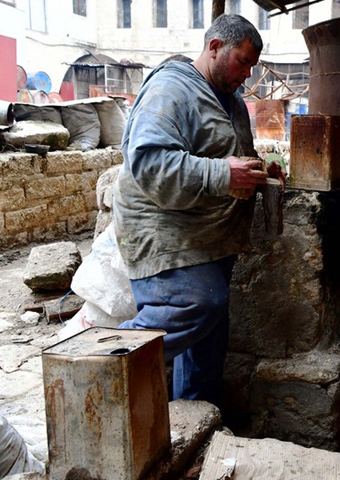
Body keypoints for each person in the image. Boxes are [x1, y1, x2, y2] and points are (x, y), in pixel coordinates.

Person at [112, 14, 283, 406]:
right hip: (166, 231)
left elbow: (230, 156)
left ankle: (195, 421)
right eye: (242, 62)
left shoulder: (233, 101)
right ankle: (99, 366)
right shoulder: (171, 89)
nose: (247, 74)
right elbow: (150, 163)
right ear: (214, 48)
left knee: (208, 342)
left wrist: (260, 170)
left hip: (209, 237)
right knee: (198, 301)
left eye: (252, 66)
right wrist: (224, 174)